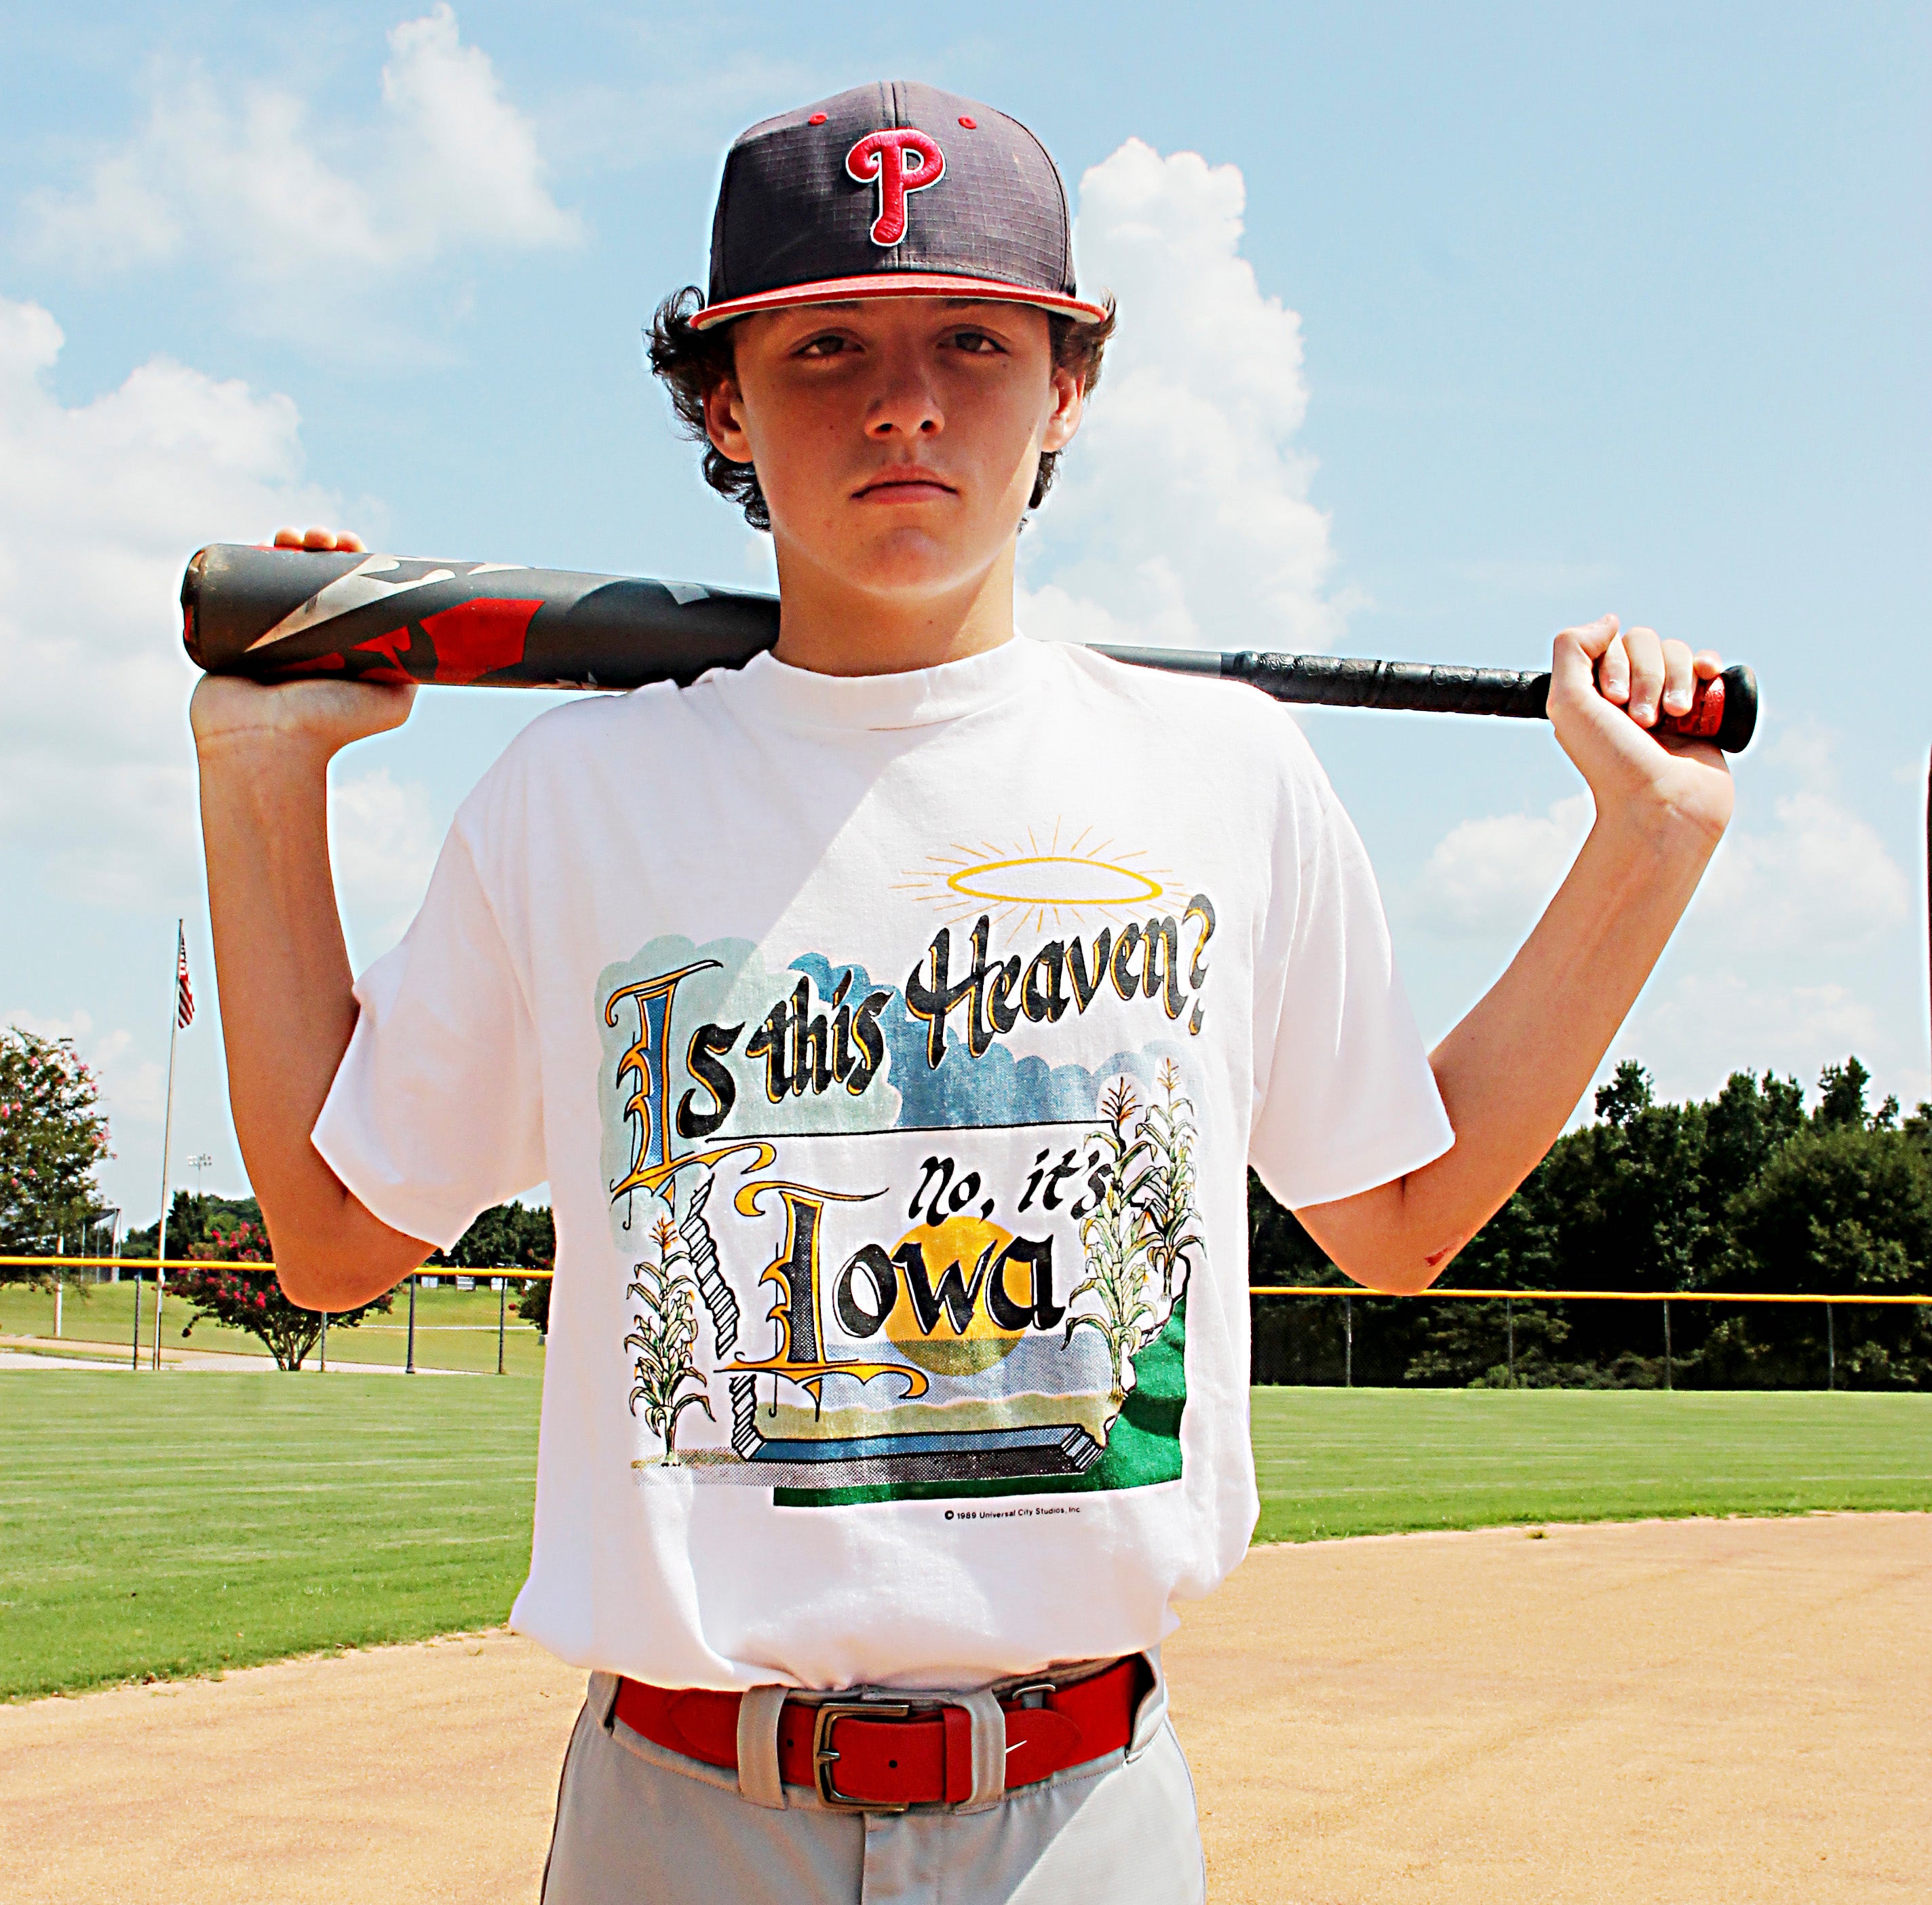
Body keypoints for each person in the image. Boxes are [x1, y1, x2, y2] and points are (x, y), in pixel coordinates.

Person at [192, 80, 1733, 1905]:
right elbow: (333, 1241)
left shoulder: (1222, 778)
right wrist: (260, 771)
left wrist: (1650, 850)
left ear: (1068, 385)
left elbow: (1401, 1214)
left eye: (975, 339)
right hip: (682, 1818)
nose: (905, 399)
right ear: (721, 399)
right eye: (826, 340)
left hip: (1081, 1813)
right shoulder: (576, 797)